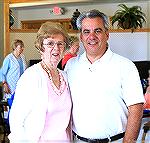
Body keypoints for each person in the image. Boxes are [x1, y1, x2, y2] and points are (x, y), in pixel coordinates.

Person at [64, 9, 145, 143]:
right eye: (86, 31)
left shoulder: (125, 66)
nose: (92, 36)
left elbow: (136, 109)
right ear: (81, 37)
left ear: (107, 34)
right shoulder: (71, 66)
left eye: (97, 30)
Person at [8, 22, 72, 143]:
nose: (56, 48)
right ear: (41, 47)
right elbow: (16, 121)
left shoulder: (64, 76)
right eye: (50, 43)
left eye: (60, 44)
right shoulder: (31, 76)